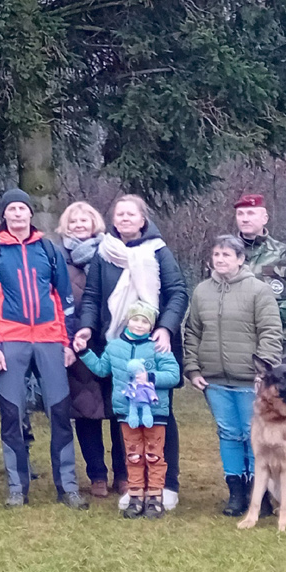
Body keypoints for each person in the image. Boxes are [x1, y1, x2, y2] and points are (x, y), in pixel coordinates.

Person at [73, 193, 189, 510]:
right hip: (117, 344)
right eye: (119, 214)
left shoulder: (159, 251)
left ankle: (167, 484)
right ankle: (135, 484)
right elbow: (92, 296)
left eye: (131, 214)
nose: (124, 218)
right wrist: (87, 327)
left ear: (143, 219)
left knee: (160, 415)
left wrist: (165, 327)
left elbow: (178, 292)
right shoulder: (104, 253)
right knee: (126, 415)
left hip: (156, 344)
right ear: (113, 220)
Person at [0, 189, 86, 509]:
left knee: (60, 413)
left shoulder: (49, 249)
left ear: (30, 214)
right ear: (4, 215)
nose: (18, 214)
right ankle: (16, 487)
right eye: (11, 209)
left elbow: (64, 298)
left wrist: (67, 342)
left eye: (22, 208)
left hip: (50, 339)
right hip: (10, 339)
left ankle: (67, 486)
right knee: (12, 414)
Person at [184, 235, 282, 517]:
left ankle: (258, 493)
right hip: (214, 380)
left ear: (240, 259)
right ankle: (236, 492)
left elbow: (270, 333)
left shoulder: (259, 291)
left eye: (227, 254)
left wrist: (263, 372)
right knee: (228, 434)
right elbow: (192, 332)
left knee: (253, 436)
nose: (220, 259)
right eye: (216, 254)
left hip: (250, 380)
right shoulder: (201, 291)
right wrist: (192, 368)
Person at [74, 302, 180, 518]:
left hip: (155, 413)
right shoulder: (114, 347)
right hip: (126, 413)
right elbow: (102, 369)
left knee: (154, 455)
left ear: (152, 326)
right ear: (127, 321)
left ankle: (155, 496)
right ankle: (135, 495)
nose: (139, 325)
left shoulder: (158, 347)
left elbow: (173, 375)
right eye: (135, 319)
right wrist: (84, 352)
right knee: (133, 455)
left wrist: (151, 377)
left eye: (145, 321)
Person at [55, 201, 112, 498]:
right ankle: (97, 474)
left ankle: (124, 473)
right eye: (73, 221)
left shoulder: (112, 253)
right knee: (86, 411)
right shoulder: (58, 258)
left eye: (84, 220)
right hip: (78, 342)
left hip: (114, 340)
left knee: (119, 410)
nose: (79, 225)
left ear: (94, 223)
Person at [233, 194, 286, 364]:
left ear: (265, 218)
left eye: (251, 213)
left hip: (282, 342)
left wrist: (271, 315)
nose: (245, 219)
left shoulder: (285, 254)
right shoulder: (225, 254)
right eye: (240, 214)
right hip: (237, 341)